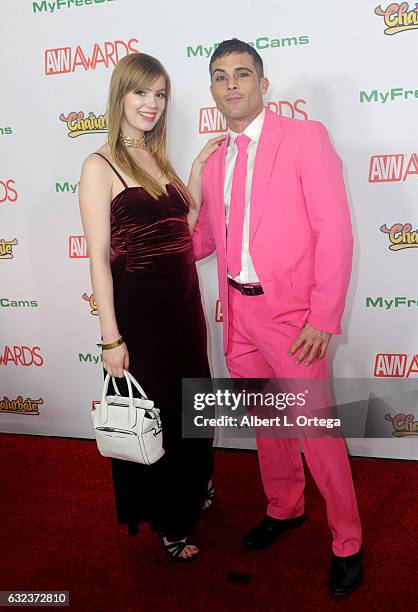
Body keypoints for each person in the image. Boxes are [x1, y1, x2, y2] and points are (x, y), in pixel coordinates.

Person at [191, 39, 363, 594]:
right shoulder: (215, 159)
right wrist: (191, 183)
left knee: (317, 432)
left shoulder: (305, 139)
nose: (231, 84)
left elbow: (334, 231)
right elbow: (198, 245)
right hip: (239, 315)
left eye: (242, 74)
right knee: (269, 423)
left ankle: (347, 542)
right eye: (220, 76)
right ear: (213, 89)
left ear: (264, 85)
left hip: (295, 319)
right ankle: (285, 507)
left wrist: (323, 316)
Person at [79, 52, 223, 562]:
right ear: (120, 94)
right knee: (159, 416)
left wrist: (197, 173)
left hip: (185, 311)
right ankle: (170, 522)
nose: (151, 104)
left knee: (193, 408)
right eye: (142, 92)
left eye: (160, 95)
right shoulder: (99, 166)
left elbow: (180, 231)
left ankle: (195, 485)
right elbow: (98, 260)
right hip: (142, 321)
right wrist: (111, 338)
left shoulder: (156, 157)